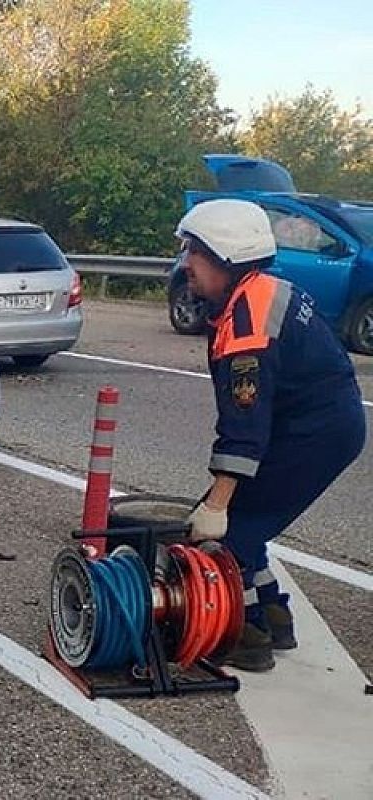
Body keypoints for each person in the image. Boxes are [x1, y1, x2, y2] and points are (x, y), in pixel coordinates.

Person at [176, 198, 365, 672]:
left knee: (231, 530)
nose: (185, 266)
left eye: (193, 253)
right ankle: (274, 613)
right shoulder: (265, 290)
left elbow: (245, 428)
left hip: (314, 432)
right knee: (250, 518)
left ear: (224, 256)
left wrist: (215, 505)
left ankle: (249, 634)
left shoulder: (247, 327)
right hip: (322, 421)